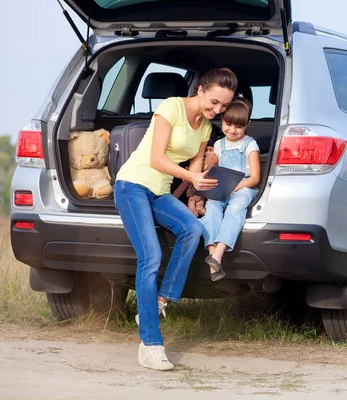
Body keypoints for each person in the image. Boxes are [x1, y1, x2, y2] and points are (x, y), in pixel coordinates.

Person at [114, 68, 237, 371]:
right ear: (201, 90)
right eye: (215, 102)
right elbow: (157, 159)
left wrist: (198, 189)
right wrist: (191, 175)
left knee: (192, 230)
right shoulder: (171, 106)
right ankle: (151, 345)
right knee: (151, 256)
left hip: (160, 191)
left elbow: (194, 173)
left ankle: (159, 302)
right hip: (133, 185)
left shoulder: (206, 127)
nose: (218, 110)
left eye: (224, 106)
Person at [200, 96, 260, 281]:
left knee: (236, 208)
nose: (232, 130)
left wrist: (235, 187)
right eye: (228, 124)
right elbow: (214, 170)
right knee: (211, 208)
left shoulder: (250, 145)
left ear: (247, 125)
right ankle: (213, 255)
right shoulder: (219, 144)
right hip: (222, 186)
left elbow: (255, 178)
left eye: (238, 127)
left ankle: (218, 252)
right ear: (222, 120)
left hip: (243, 187)